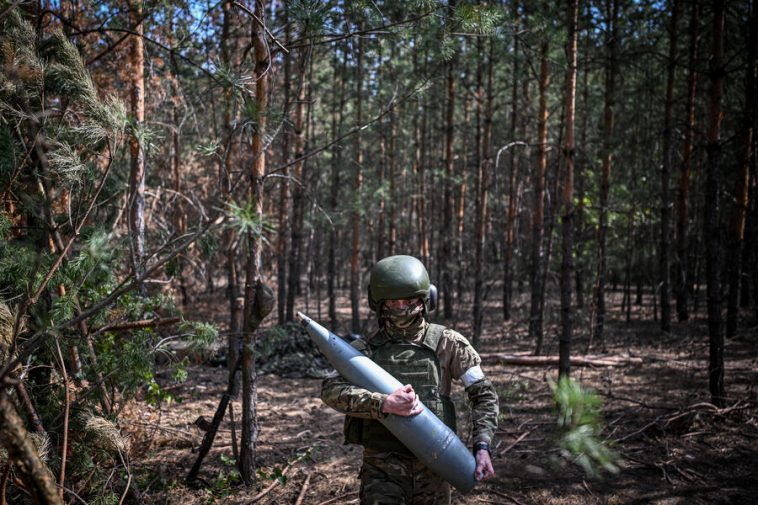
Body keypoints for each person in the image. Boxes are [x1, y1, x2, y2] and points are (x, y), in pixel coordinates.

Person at [321, 255, 499, 505]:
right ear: (380, 303)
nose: (401, 307)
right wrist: (381, 403)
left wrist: (482, 446)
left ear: (426, 299)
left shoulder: (448, 343)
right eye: (393, 302)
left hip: (436, 465)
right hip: (382, 469)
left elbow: (483, 394)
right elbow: (330, 390)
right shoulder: (365, 350)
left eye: (409, 300)